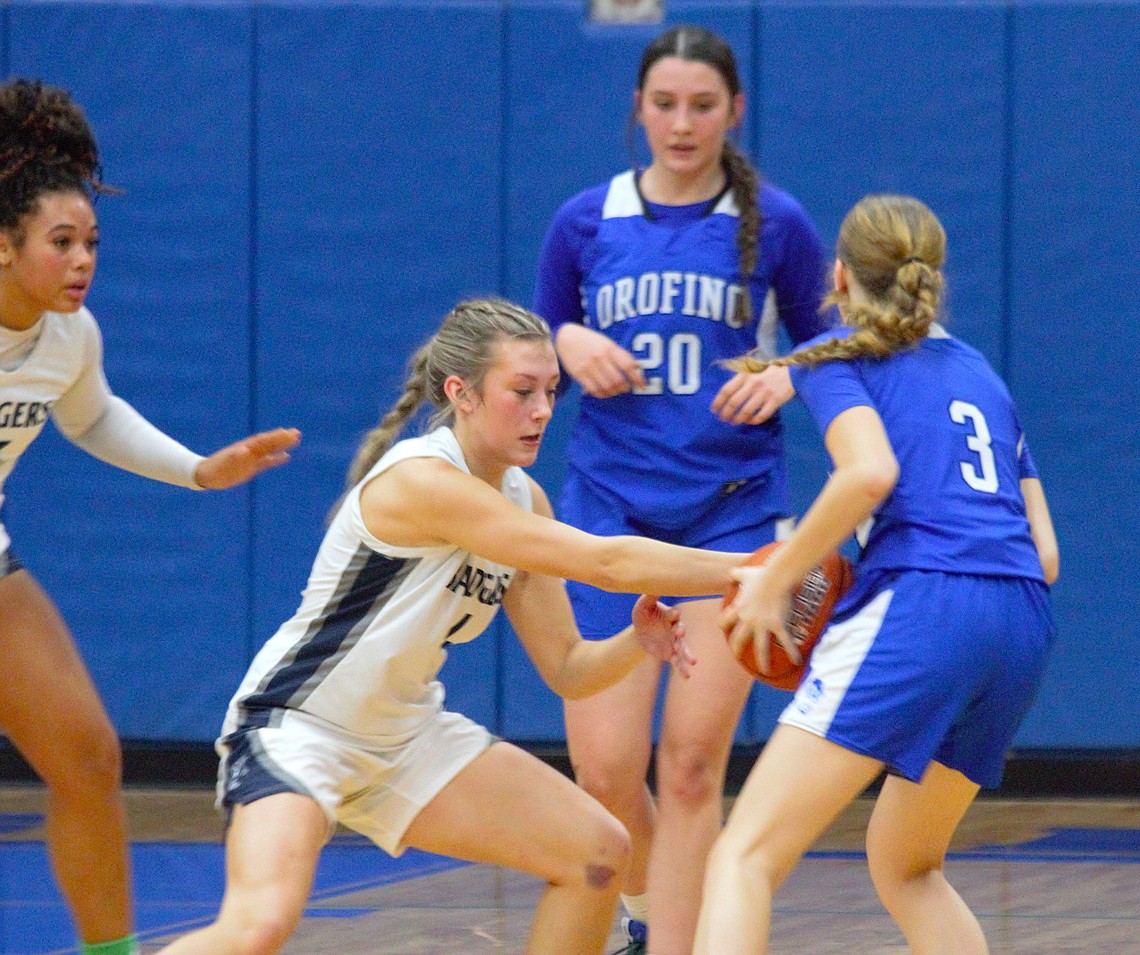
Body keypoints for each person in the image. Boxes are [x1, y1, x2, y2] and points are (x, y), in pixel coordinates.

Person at [153, 297, 749, 955]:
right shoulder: (425, 482)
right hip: (299, 728)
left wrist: (637, 642)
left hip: (405, 735)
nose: (544, 409)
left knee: (597, 852)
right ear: (461, 394)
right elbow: (607, 561)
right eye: (521, 391)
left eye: (552, 390)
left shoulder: (525, 496)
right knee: (258, 924)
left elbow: (569, 670)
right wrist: (758, 569)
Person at [693, 194, 1060, 954]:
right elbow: (1045, 555)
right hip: (1022, 621)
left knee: (744, 855)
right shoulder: (981, 373)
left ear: (838, 275)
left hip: (927, 600)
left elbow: (868, 473)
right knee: (908, 865)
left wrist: (775, 576)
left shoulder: (840, 352)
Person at [531, 23, 827, 954]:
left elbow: (837, 343)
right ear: (638, 109)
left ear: (734, 111)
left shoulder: (777, 223)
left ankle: (675, 943)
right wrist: (565, 344)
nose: (683, 122)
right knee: (605, 769)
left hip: (730, 516)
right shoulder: (586, 221)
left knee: (693, 765)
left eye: (703, 105)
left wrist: (790, 373)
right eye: (665, 103)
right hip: (607, 517)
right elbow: (534, 341)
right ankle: (652, 915)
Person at [0, 78, 300, 955]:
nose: (84, 259)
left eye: (91, 240)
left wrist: (200, 469)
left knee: (89, 756)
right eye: (62, 242)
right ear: (5, 247)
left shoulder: (69, 337)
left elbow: (89, 415)